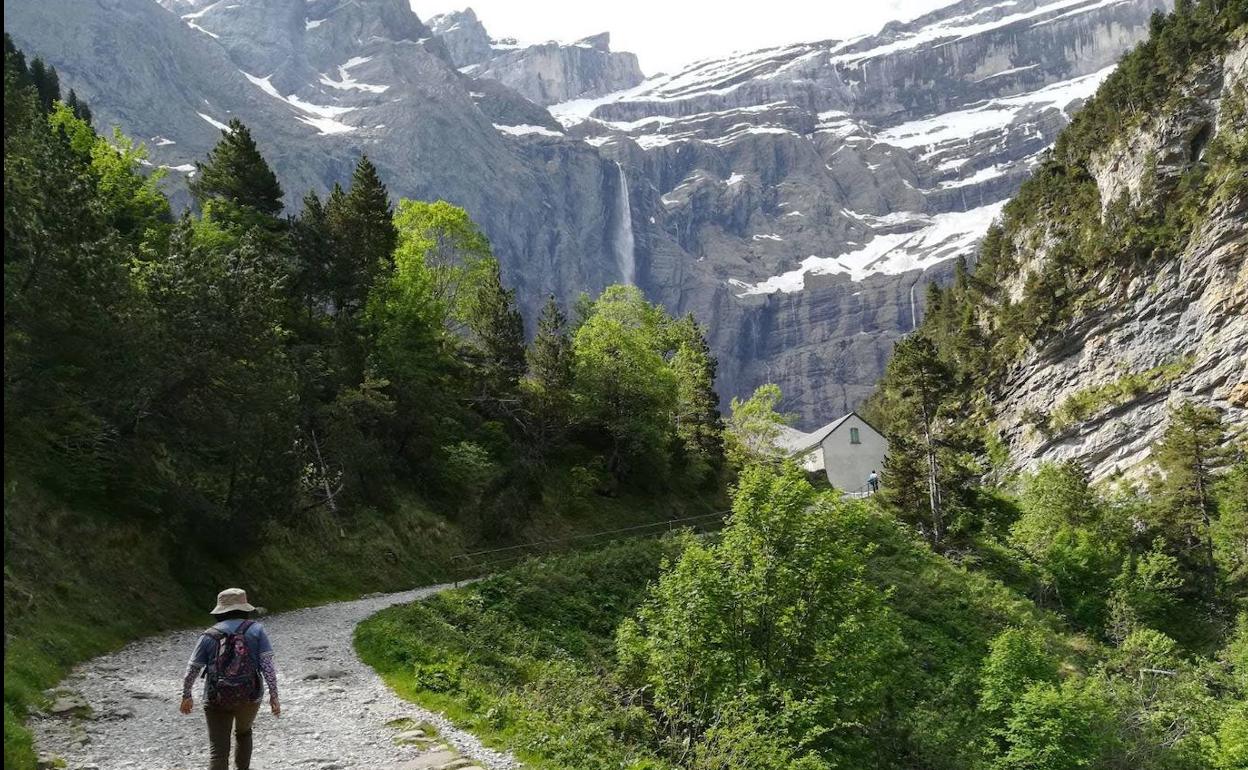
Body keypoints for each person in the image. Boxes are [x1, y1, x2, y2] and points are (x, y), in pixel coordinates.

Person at [180, 588, 280, 770]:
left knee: (218, 750)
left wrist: (186, 695)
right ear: (245, 608)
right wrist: (274, 695)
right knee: (244, 733)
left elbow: (192, 669)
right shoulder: (257, 630)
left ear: (220, 611)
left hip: (216, 697)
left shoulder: (208, 635)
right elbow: (267, 666)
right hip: (250, 696)